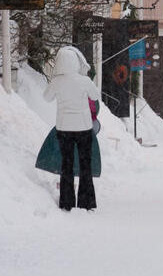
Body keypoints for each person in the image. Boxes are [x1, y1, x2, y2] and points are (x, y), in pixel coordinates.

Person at [43, 47, 101, 211]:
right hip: (83, 128)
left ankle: (67, 202)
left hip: (64, 128)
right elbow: (95, 96)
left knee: (66, 165)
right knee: (85, 164)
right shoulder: (84, 81)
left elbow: (46, 98)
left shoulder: (57, 82)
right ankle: (86, 201)